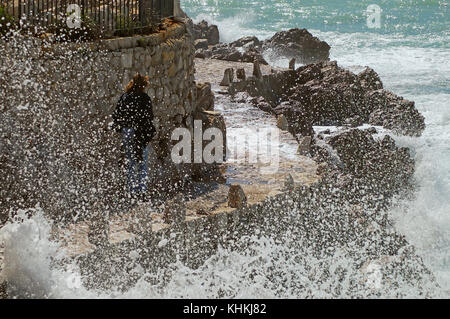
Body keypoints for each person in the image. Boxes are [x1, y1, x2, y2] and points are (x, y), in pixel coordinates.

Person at [112, 73, 156, 201]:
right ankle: (141, 191)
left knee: (131, 162)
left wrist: (122, 127)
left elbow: (116, 114)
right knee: (142, 162)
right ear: (144, 85)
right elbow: (149, 118)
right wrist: (147, 134)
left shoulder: (125, 97)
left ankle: (131, 191)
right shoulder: (144, 98)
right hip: (140, 133)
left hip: (127, 132)